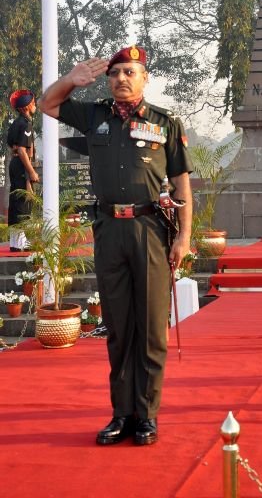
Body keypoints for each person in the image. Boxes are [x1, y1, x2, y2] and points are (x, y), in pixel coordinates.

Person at [38, 46, 193, 446]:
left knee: (151, 328)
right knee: (119, 328)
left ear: (145, 78)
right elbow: (47, 103)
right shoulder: (95, 115)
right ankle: (121, 414)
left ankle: (146, 415)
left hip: (150, 231)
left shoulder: (165, 123)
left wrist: (184, 236)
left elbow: (181, 186)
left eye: (130, 72)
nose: (121, 79)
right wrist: (72, 79)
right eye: (115, 73)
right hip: (109, 229)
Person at [7, 89, 39, 251]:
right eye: (33, 103)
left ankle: (14, 242)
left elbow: (13, 146)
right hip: (21, 164)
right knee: (23, 201)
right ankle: (21, 242)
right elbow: (21, 150)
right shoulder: (25, 124)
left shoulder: (16, 123)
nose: (35, 105)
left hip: (15, 165)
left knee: (16, 201)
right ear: (26, 107)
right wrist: (31, 172)